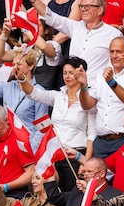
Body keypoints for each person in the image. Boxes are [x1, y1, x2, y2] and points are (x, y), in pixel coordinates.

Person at [21, 56, 95, 192]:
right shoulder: (58, 96)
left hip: (75, 154)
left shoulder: (90, 98)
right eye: (65, 73)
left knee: (72, 196)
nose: (67, 76)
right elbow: (34, 94)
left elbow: (92, 134)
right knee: (54, 195)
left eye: (71, 73)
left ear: (81, 73)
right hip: (54, 155)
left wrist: (85, 162)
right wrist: (22, 79)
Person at [76, 37, 124, 159]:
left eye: (119, 52)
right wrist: (83, 86)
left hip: (123, 140)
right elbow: (87, 105)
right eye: (112, 52)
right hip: (101, 142)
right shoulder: (101, 74)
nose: (114, 56)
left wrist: (112, 82)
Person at [31, 0, 121, 82]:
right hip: (73, 88)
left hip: (96, 90)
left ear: (100, 10)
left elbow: (117, 66)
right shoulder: (76, 27)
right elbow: (52, 17)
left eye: (88, 6)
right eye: (81, 6)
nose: (83, 9)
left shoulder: (113, 34)